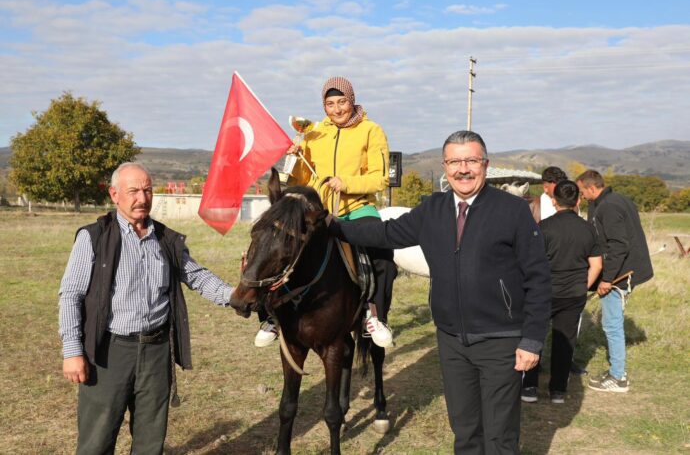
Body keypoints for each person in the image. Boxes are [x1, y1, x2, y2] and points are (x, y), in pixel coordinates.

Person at [328, 130, 551, 454]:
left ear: (485, 164)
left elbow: (539, 276)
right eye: (454, 161)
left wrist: (531, 340)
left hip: (500, 341)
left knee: (500, 436)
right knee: (464, 430)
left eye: (471, 160)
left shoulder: (512, 211)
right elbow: (386, 233)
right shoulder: (432, 208)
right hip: (451, 341)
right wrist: (336, 226)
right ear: (445, 167)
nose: (463, 169)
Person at [59, 162, 234, 454]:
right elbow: (70, 295)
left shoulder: (167, 240)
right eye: (133, 191)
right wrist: (73, 351)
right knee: (96, 440)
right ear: (114, 195)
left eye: (148, 190)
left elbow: (197, 276)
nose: (142, 198)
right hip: (108, 352)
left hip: (156, 351)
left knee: (150, 441)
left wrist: (237, 295)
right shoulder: (93, 237)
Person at [254, 76, 397, 348]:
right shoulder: (314, 132)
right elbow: (299, 179)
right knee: (271, 248)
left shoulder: (371, 130)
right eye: (330, 103)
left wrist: (348, 183)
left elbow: (380, 179)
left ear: (351, 101)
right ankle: (272, 315)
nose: (337, 109)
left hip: (357, 208)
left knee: (383, 256)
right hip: (316, 212)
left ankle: (374, 314)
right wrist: (294, 157)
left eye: (341, 101)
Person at [521, 180, 602, 404]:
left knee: (534, 336)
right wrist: (582, 286)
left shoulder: (543, 227)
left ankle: (529, 388)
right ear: (577, 200)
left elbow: (530, 263)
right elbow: (596, 265)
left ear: (553, 200)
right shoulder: (588, 229)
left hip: (544, 292)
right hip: (574, 294)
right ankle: (558, 391)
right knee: (565, 340)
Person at [576, 170, 653, 393]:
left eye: (582, 192)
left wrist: (607, 279)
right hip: (623, 271)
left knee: (612, 325)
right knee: (613, 323)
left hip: (619, 276)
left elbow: (619, 246)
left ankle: (619, 378)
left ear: (592, 188)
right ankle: (617, 372)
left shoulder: (608, 207)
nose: (581, 197)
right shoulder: (618, 199)